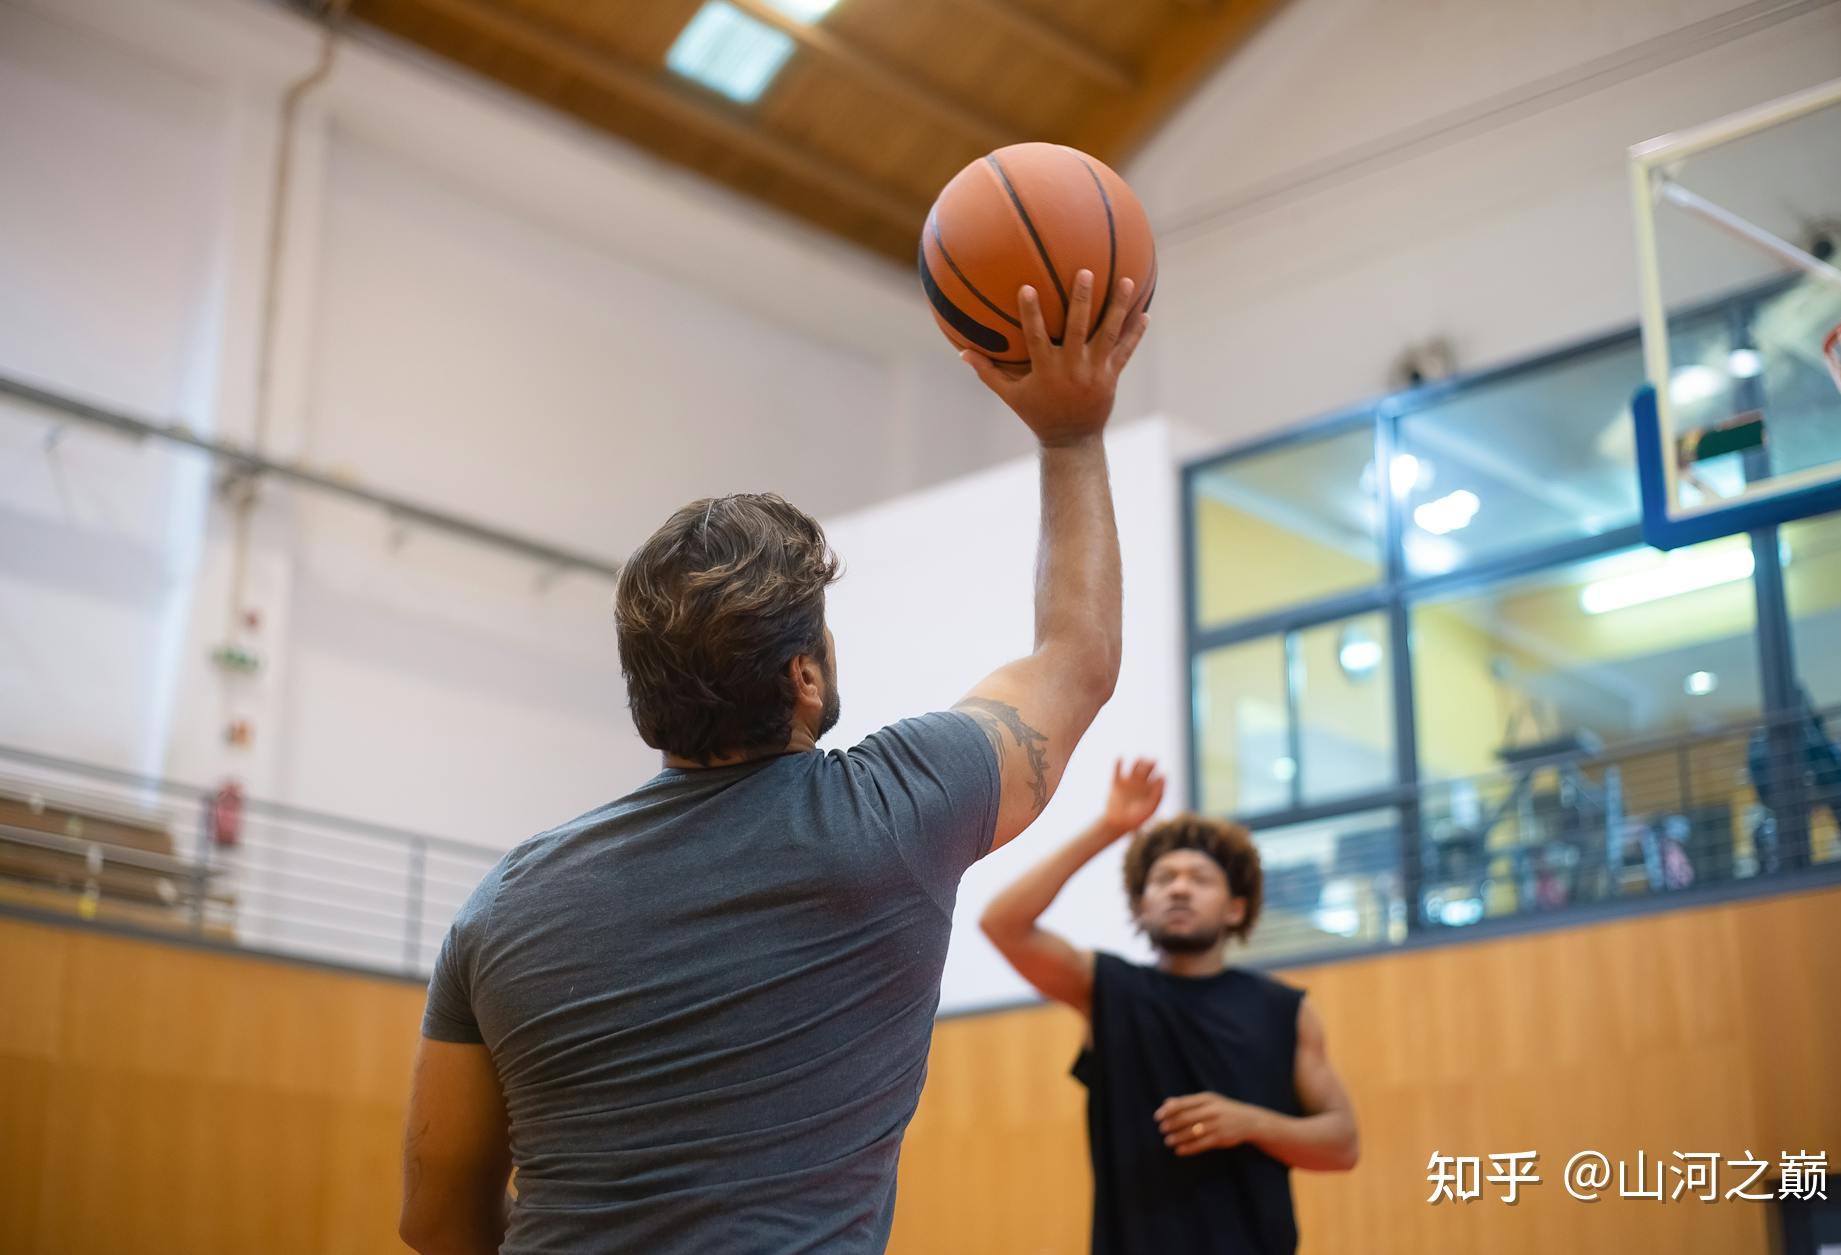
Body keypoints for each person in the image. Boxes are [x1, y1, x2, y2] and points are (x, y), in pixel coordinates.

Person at [397, 271, 1149, 1255]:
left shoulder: (501, 906)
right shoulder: (897, 810)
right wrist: (1070, 435)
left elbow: (435, 1223)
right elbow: (1076, 661)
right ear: (803, 675)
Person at [980, 758, 1360, 1255]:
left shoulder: (1284, 1010)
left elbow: (1342, 1143)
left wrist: (1250, 1123)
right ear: (1141, 906)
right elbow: (1003, 924)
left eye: (1199, 879)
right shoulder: (1108, 988)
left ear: (1235, 908)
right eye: (1163, 880)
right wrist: (1110, 828)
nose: (1179, 887)